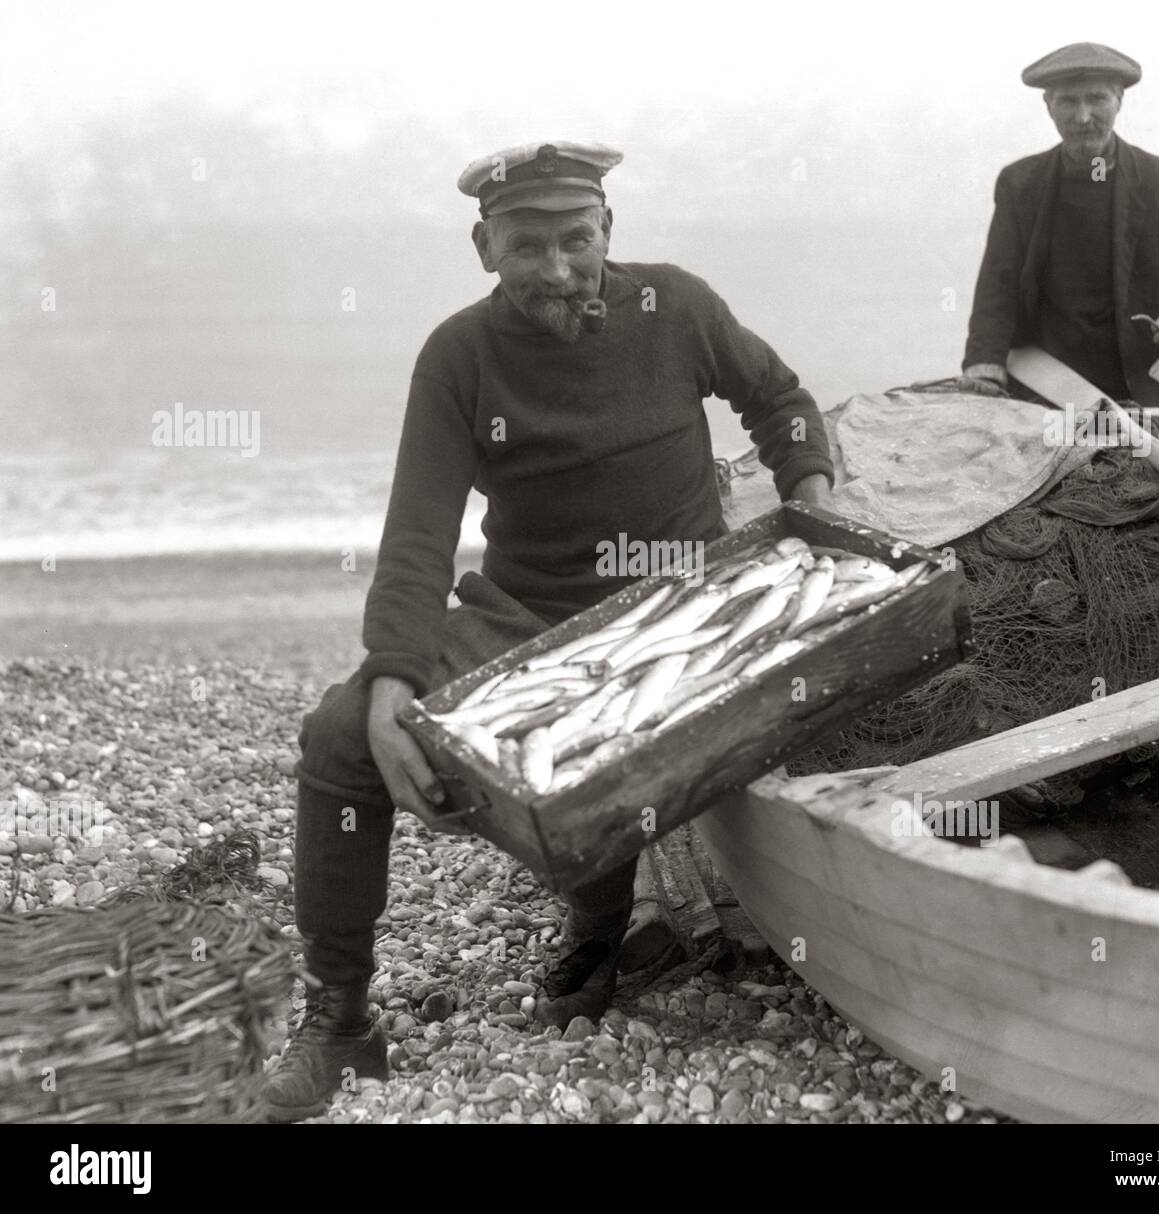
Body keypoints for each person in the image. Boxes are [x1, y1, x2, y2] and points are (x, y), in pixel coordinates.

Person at [262, 140, 836, 1121]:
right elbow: (416, 535)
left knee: (604, 750)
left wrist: (811, 493)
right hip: (522, 615)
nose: (559, 267)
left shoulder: (679, 307)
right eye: (529, 245)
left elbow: (776, 399)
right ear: (484, 247)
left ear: (607, 231)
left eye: (577, 238)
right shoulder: (458, 355)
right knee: (338, 732)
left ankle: (596, 921)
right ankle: (341, 1020)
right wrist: (395, 674)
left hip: (678, 610)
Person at [958, 42, 1159, 407]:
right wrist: (985, 364)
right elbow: (998, 286)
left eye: (1097, 99)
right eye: (1069, 102)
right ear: (1048, 106)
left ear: (1119, 100)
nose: (1083, 116)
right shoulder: (1019, 183)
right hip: (1045, 395)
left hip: (1147, 394)